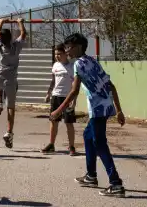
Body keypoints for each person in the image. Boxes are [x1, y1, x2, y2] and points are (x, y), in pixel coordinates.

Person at [50, 33, 126, 197]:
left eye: (69, 47)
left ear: (78, 47)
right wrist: (118, 110)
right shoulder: (92, 61)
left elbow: (74, 91)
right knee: (87, 135)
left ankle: (116, 183)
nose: (66, 50)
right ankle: (91, 176)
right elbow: (111, 86)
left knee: (100, 144)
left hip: (98, 109)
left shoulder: (78, 64)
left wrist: (58, 110)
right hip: (106, 107)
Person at [0, 17, 26, 148]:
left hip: (0, 75)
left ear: (1, 39)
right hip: (11, 78)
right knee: (11, 107)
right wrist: (20, 23)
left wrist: (1, 22)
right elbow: (23, 34)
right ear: (11, 38)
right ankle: (9, 132)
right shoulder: (16, 46)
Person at [41, 43, 77, 155]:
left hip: (67, 98)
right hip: (56, 97)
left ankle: (71, 146)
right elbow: (53, 81)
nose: (57, 56)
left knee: (69, 123)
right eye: (55, 54)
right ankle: (51, 144)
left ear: (66, 54)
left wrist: (73, 101)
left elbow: (74, 85)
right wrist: (48, 93)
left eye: (59, 54)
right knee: (53, 121)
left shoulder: (72, 67)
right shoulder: (55, 65)